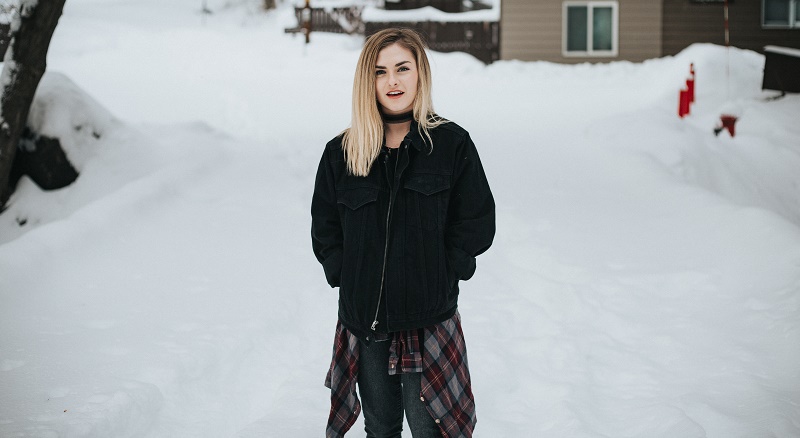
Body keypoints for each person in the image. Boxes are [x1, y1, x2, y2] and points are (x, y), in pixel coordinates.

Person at [311, 28, 495, 438]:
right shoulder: (342, 153)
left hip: (428, 321)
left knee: (431, 429)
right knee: (380, 427)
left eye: (402, 68)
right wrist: (345, 273)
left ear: (419, 74)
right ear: (368, 80)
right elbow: (325, 228)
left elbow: (476, 219)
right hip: (366, 323)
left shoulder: (451, 145)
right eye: (380, 72)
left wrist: (447, 270)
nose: (392, 81)